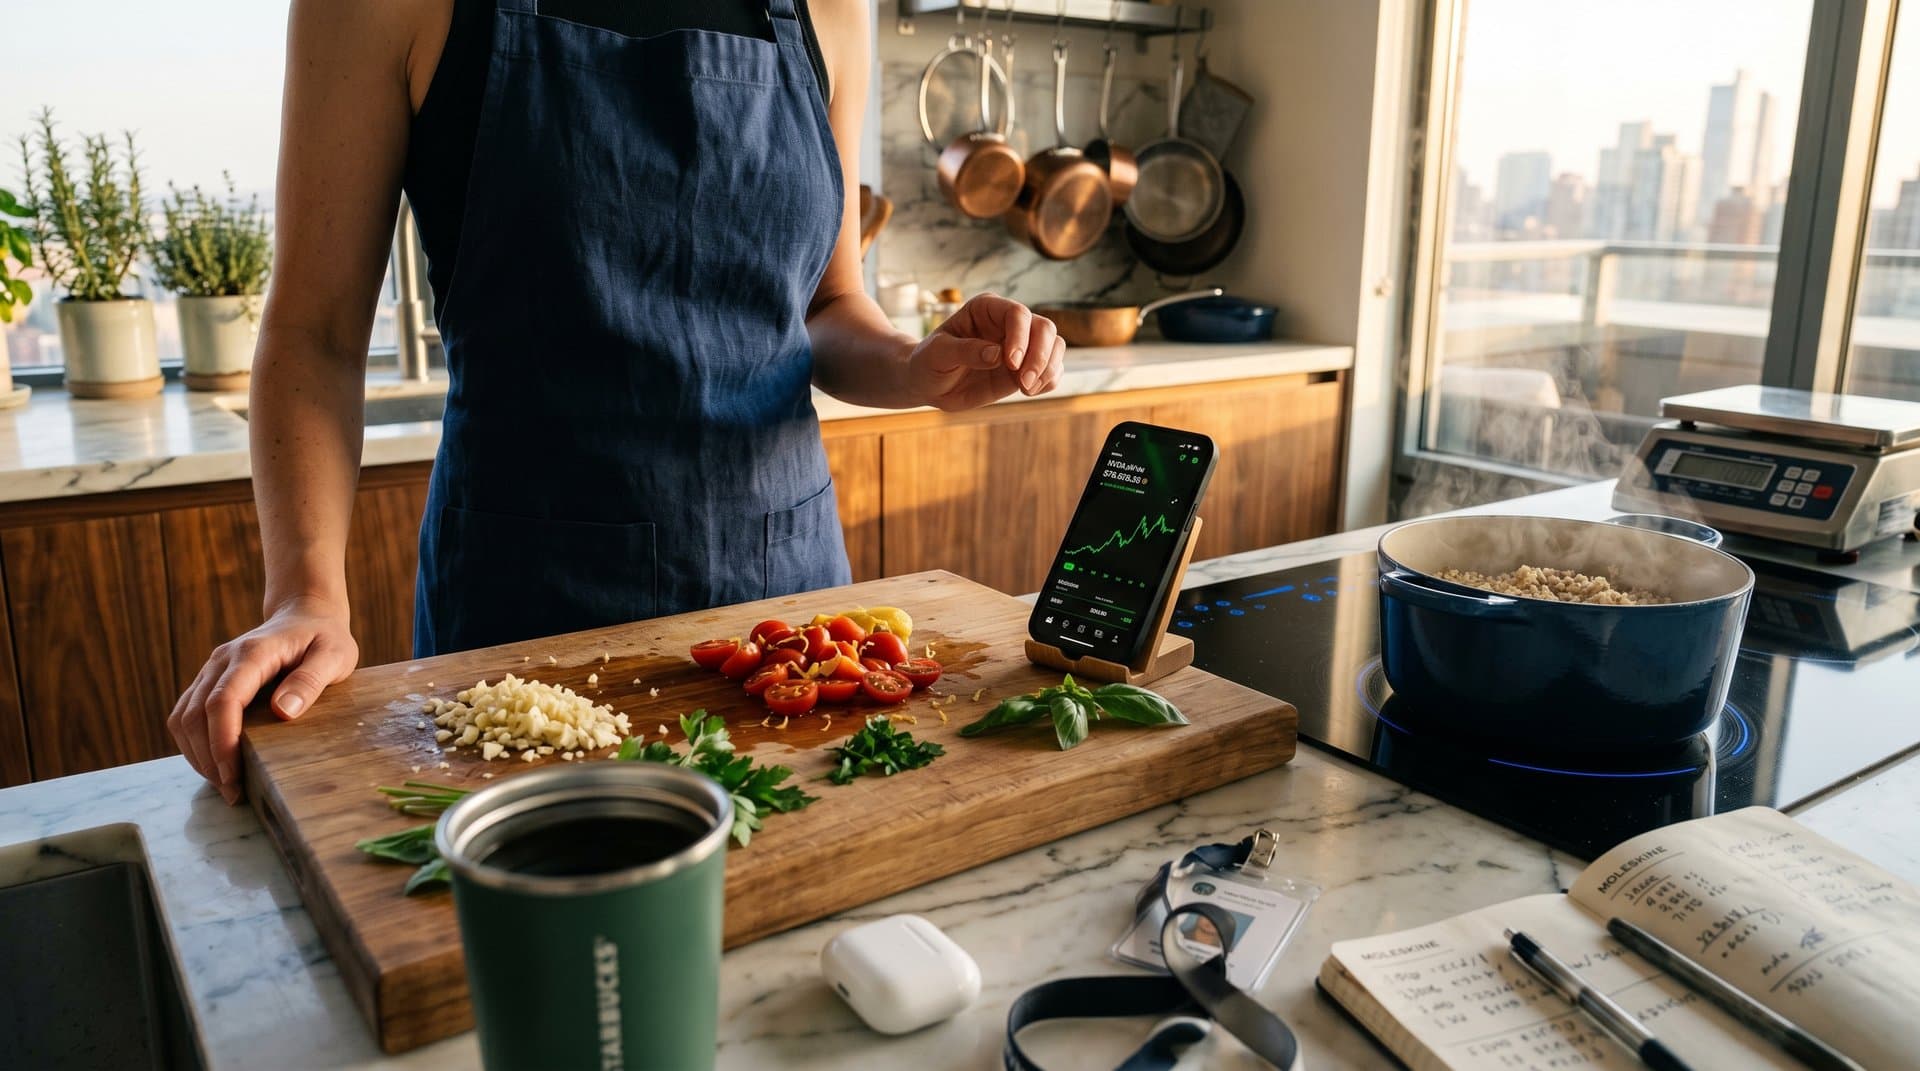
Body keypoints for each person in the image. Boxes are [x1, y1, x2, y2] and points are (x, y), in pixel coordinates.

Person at [168, 0, 1065, 803]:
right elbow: (316, 334)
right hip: (526, 605)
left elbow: (827, 306)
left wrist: (918, 367)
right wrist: (306, 596)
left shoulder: (829, 7)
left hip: (787, 604)